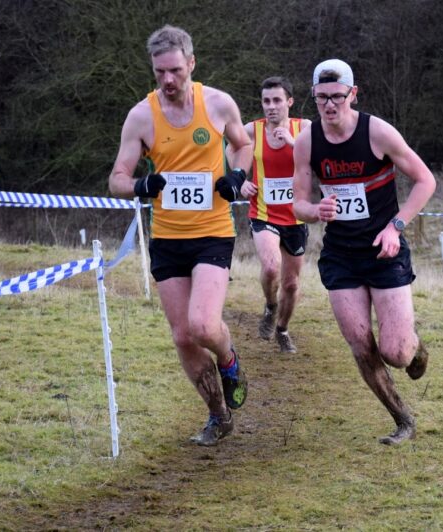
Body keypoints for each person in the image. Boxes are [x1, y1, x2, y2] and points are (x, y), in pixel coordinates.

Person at [108, 25, 252, 447]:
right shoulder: (141, 116)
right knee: (182, 336)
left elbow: (243, 146)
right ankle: (217, 415)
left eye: (174, 70)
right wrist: (140, 186)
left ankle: (229, 362)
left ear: (191, 63)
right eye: (159, 73)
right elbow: (117, 177)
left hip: (212, 231)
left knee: (204, 324)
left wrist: (235, 176)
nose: (167, 81)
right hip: (168, 238)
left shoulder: (219, 104)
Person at [292, 59, 436, 445]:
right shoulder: (307, 141)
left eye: (336, 97)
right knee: (360, 343)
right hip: (341, 256)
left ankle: (415, 345)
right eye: (321, 98)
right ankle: (402, 419)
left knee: (396, 352)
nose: (329, 105)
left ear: (352, 94)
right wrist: (315, 210)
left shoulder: (378, 132)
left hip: (384, 251)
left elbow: (425, 180)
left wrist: (397, 226)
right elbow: (298, 205)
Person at [235, 77, 311, 353]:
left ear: (289, 102)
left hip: (296, 216)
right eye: (266, 101)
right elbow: (228, 149)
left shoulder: (303, 129)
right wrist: (239, 179)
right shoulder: (251, 131)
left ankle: (282, 328)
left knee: (290, 284)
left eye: (277, 100)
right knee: (270, 266)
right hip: (263, 212)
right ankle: (269, 305)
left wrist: (293, 143)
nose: (271, 106)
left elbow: (317, 161)